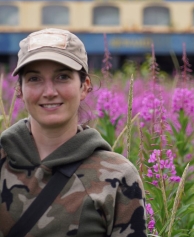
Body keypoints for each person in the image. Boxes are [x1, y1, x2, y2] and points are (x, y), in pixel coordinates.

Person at [0, 28, 147, 236]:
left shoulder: (118, 176)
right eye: (34, 79)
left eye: (62, 77)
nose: (49, 92)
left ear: (85, 86)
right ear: (20, 90)